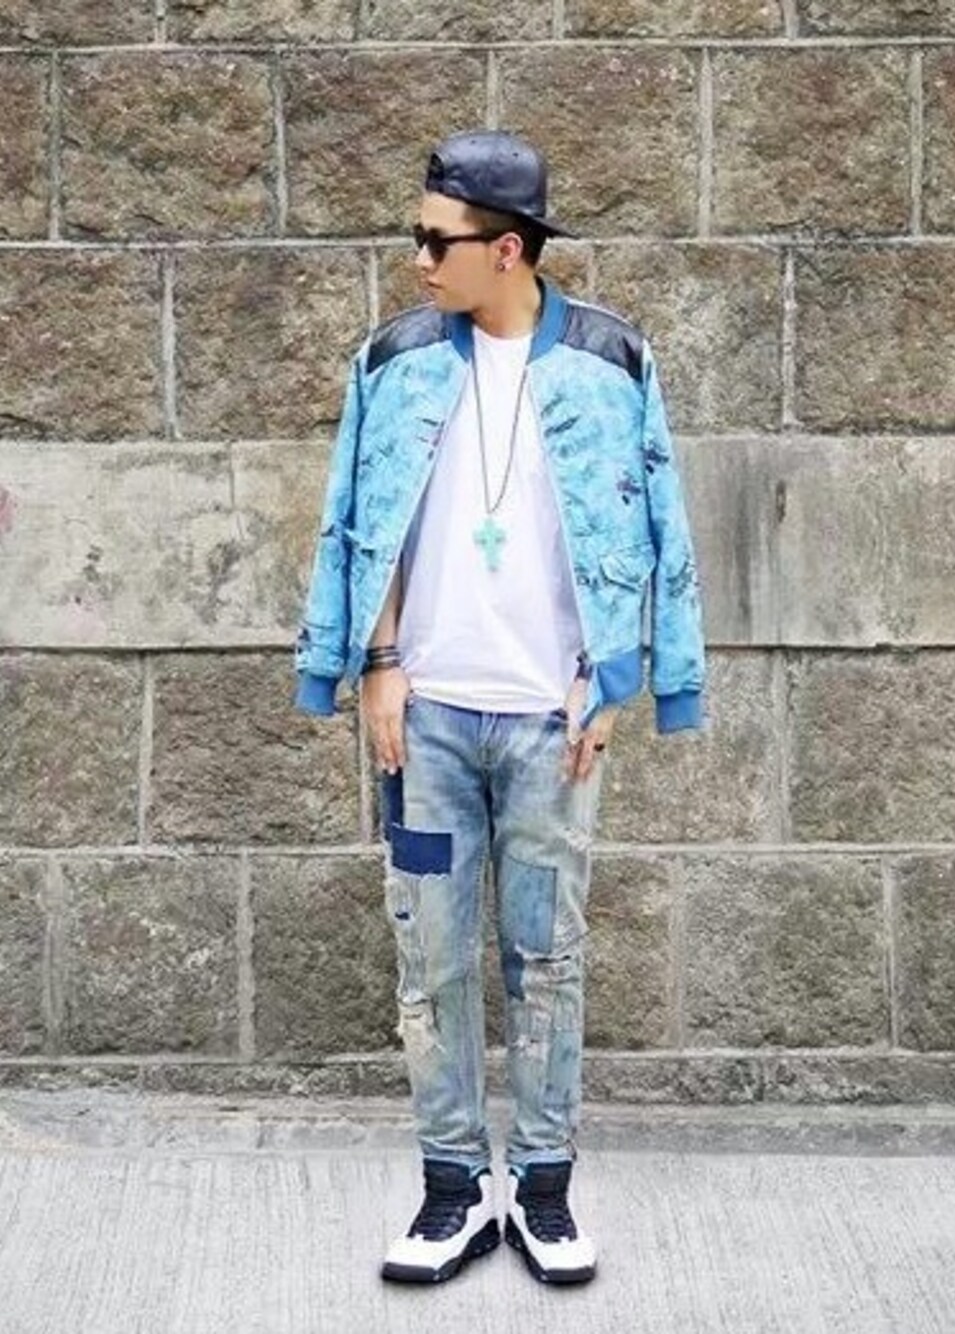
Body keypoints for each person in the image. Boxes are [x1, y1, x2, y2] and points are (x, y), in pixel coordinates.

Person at [294, 129, 706, 1287]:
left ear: (508, 249)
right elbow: (354, 515)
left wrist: (617, 679)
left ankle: (541, 1188)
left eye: (437, 241)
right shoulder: (392, 360)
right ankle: (448, 1190)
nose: (418, 259)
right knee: (429, 957)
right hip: (422, 726)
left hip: (550, 727)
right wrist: (374, 662)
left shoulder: (613, 360)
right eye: (418, 237)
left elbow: (659, 526)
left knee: (548, 957)